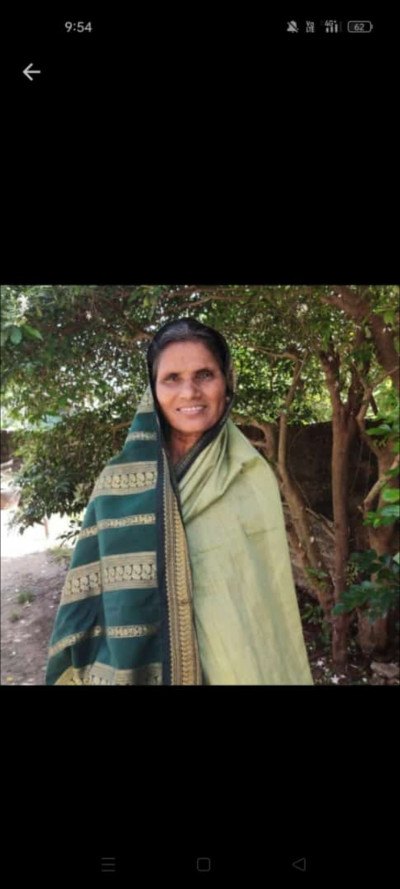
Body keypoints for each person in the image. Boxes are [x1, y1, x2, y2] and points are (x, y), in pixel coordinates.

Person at [45, 318, 313, 685]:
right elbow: (88, 593)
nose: (189, 392)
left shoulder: (249, 475)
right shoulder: (118, 484)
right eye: (172, 378)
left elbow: (263, 605)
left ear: (226, 382)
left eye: (205, 375)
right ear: (152, 390)